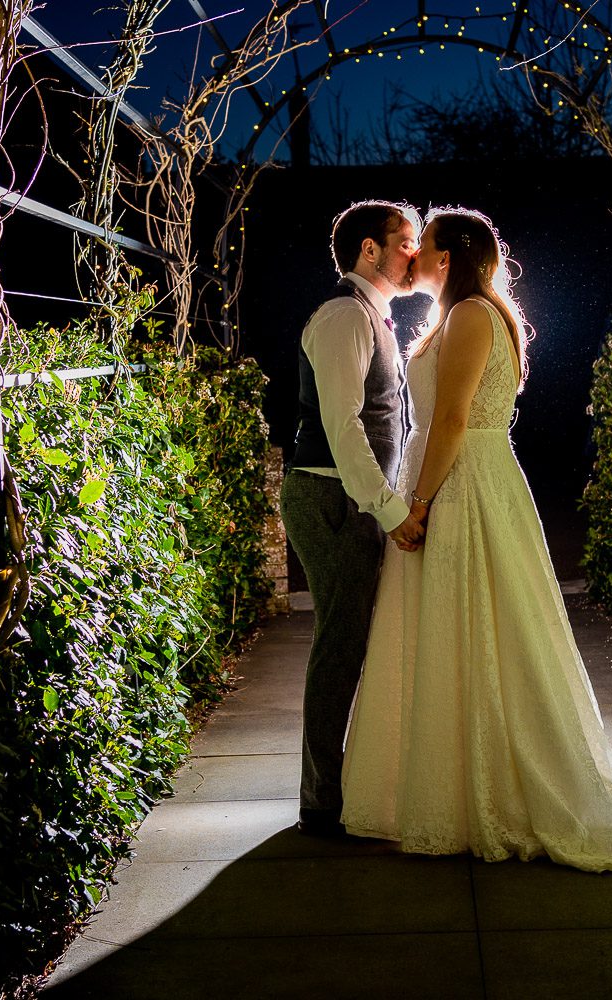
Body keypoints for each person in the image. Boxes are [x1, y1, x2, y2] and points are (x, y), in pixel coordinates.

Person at [340, 207, 612, 872]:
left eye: (422, 246)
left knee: (487, 628)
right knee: (452, 631)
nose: (413, 257)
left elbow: (454, 418)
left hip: (463, 486)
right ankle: (452, 783)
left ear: (449, 256)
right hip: (451, 477)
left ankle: (500, 786)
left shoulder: (472, 316)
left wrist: (418, 502)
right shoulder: (455, 316)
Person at [281, 199, 428, 838]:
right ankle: (321, 803)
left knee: (351, 642)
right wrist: (390, 508)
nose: (414, 255)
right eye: (406, 242)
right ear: (369, 249)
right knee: (339, 644)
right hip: (330, 497)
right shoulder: (344, 316)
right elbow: (342, 425)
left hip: (351, 496)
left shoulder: (375, 316)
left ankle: (341, 788)